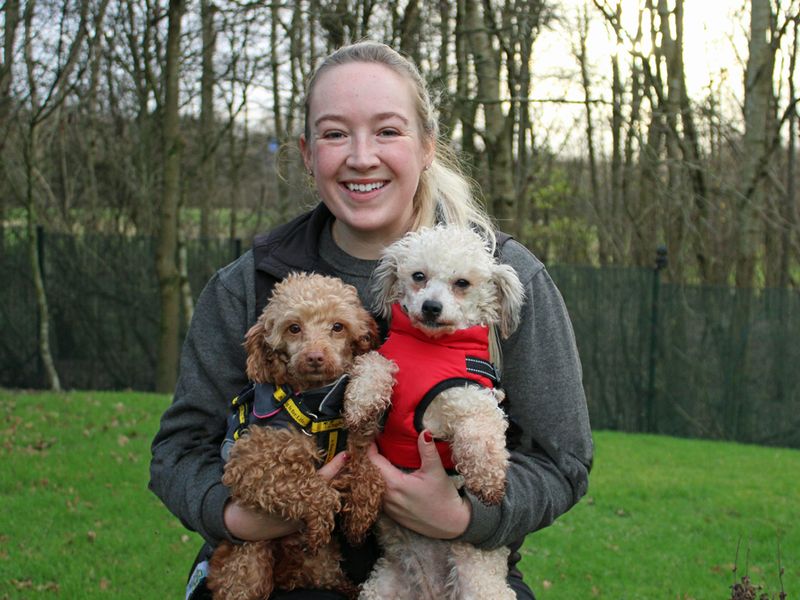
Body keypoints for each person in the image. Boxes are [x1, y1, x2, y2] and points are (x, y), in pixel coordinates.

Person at [149, 40, 593, 599]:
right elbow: (177, 451)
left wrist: (462, 517)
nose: (362, 157)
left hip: (453, 568)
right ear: (309, 155)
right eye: (336, 134)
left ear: (427, 146)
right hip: (283, 570)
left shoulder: (503, 276)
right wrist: (236, 518)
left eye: (387, 131)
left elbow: (564, 460)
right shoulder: (250, 284)